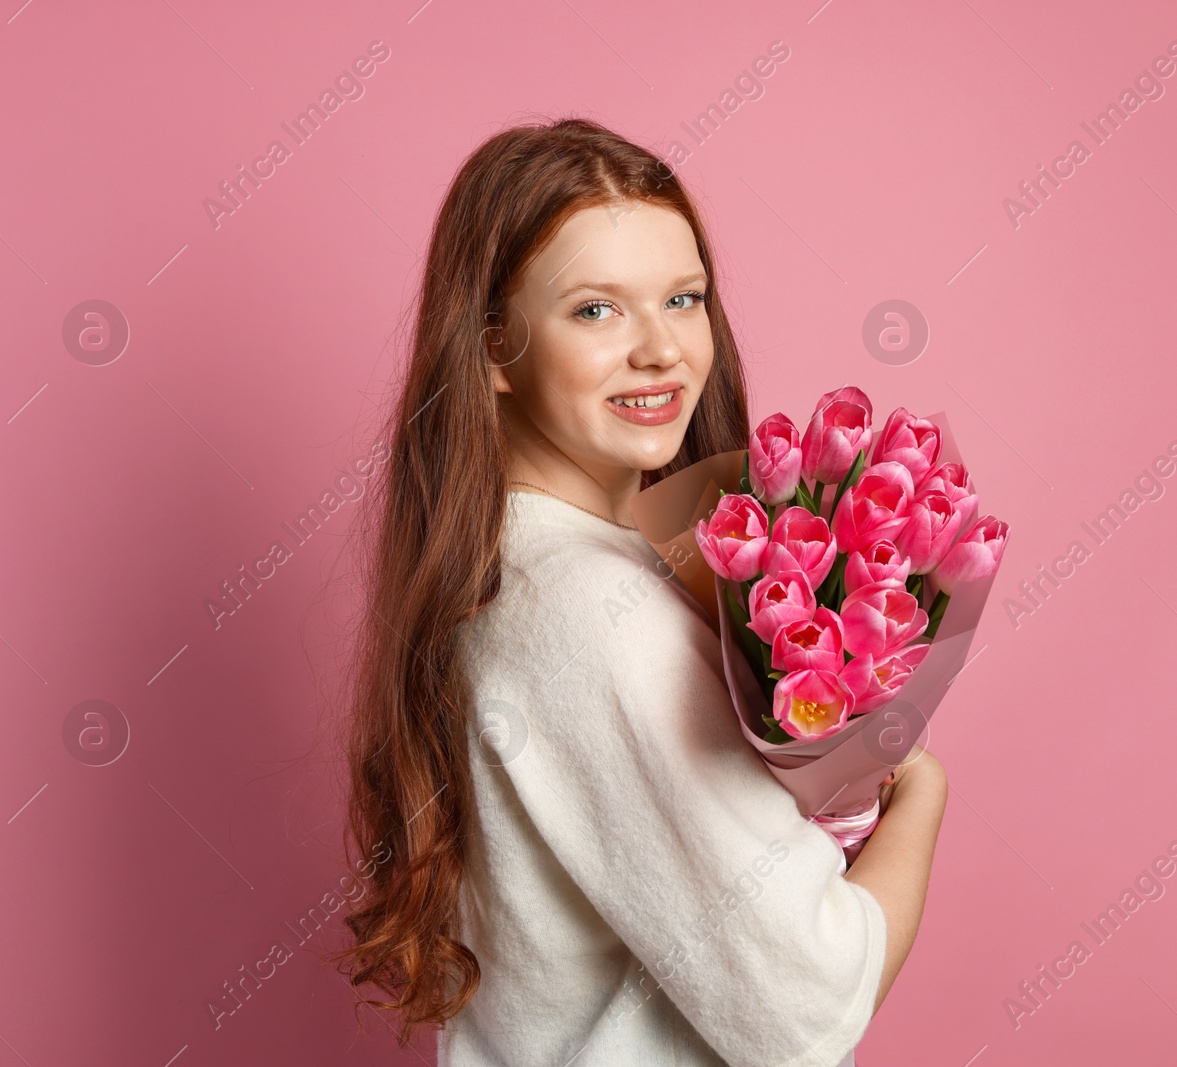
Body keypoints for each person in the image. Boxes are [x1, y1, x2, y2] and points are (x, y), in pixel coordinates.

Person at [335, 116, 948, 1066]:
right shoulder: (597, 618)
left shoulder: (515, 575)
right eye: (596, 309)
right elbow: (811, 1001)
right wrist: (921, 796)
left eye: (684, 297)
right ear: (495, 348)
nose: (662, 349)